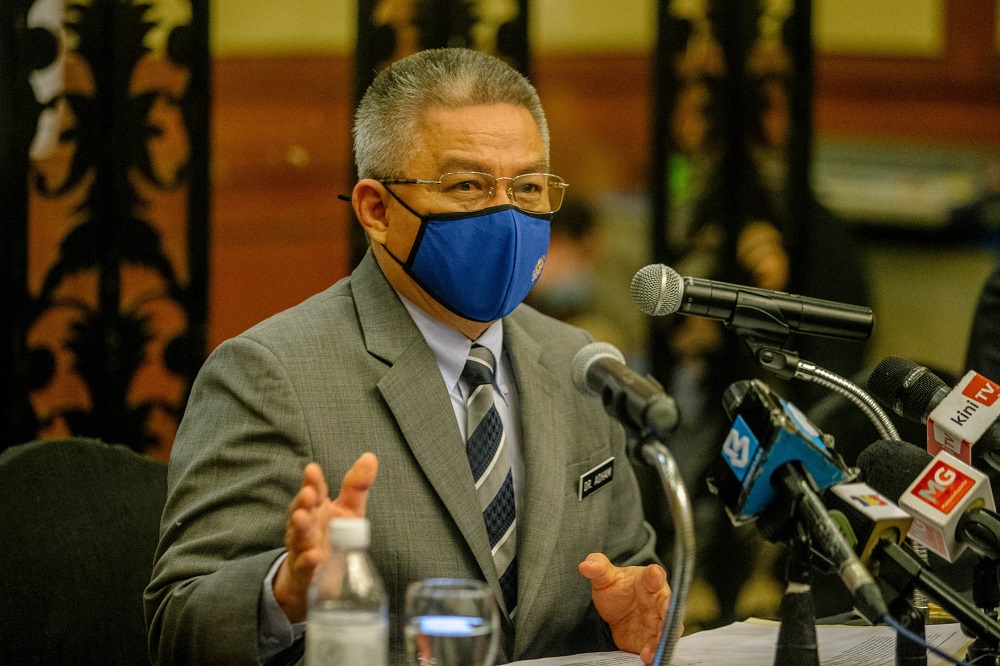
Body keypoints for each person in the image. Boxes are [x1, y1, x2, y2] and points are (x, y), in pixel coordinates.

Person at [145, 48, 671, 664]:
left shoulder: (577, 360)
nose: (508, 215)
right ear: (376, 210)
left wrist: (632, 614)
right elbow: (178, 625)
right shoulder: (271, 373)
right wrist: (284, 592)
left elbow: (628, 568)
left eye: (528, 186)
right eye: (468, 185)